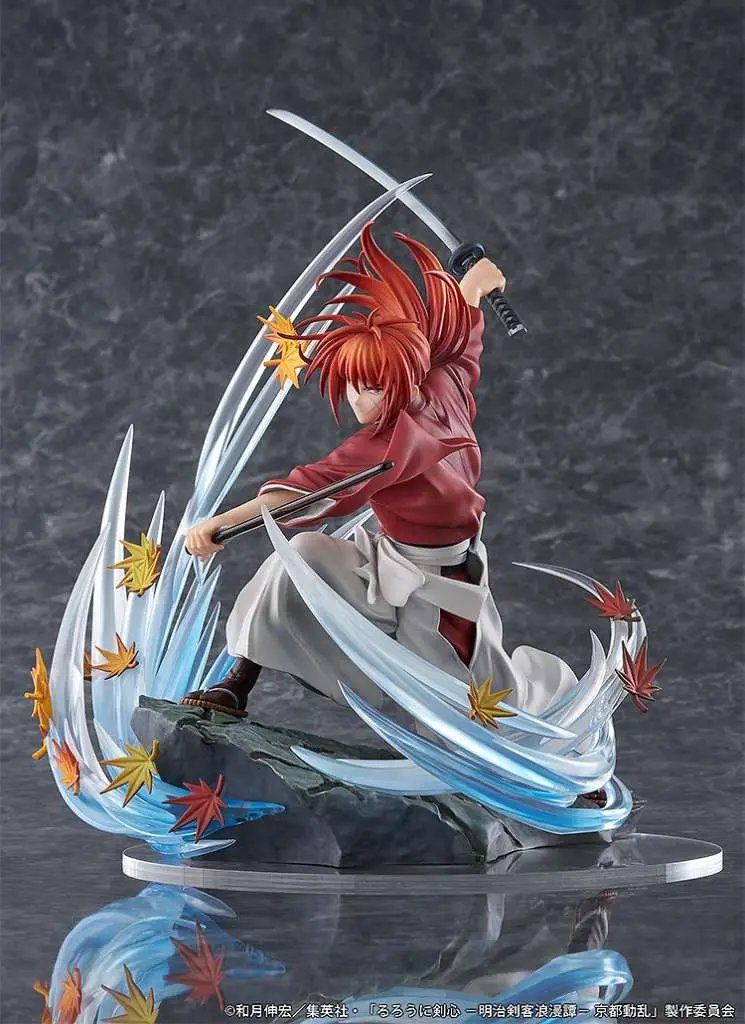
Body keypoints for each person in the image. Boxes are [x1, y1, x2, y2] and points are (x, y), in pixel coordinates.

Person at [181, 222, 565, 720]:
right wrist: (472, 287)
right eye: (351, 384)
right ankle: (238, 682)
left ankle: (556, 727)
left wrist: (219, 525)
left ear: (405, 378)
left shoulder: (391, 442)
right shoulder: (442, 382)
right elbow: (462, 345)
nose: (358, 399)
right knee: (298, 559)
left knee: (474, 708)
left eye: (374, 386)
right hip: (384, 560)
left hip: (445, 584)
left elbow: (303, 493)